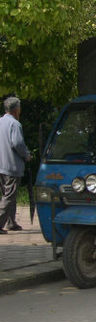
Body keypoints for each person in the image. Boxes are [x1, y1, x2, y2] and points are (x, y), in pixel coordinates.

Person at [0, 97, 31, 234]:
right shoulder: (15, 124)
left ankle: (10, 222)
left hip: (1, 164)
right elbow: (17, 143)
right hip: (11, 165)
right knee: (9, 196)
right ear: (16, 109)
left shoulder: (0, 121)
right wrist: (26, 155)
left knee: (7, 195)